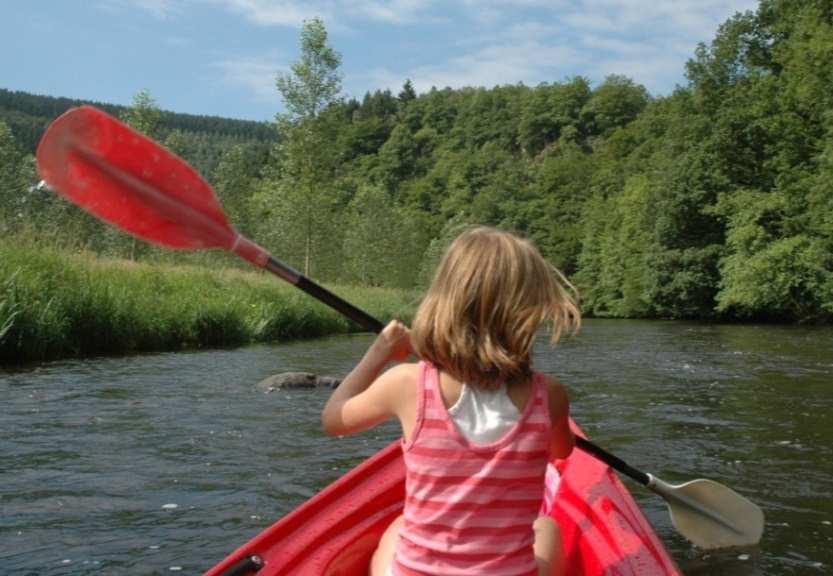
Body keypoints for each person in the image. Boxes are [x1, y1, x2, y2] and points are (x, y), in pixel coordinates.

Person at [321, 226, 581, 576]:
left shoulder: (406, 383)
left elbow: (333, 419)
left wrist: (379, 353)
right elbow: (561, 453)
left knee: (397, 529)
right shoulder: (549, 395)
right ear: (528, 313)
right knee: (547, 528)